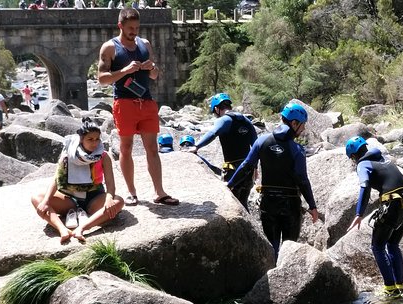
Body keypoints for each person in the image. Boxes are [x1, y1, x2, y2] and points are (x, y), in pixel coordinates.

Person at [97, 7, 179, 206]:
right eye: (130, 28)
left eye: (137, 27)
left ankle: (160, 192)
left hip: (147, 101)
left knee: (152, 148)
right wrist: (124, 71)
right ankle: (132, 193)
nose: (134, 31)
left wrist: (152, 68)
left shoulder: (145, 44)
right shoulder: (110, 47)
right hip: (124, 104)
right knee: (126, 148)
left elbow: (154, 75)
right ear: (120, 26)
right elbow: (101, 79)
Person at [227, 102, 319, 258]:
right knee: (289, 251)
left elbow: (246, 166)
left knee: (273, 248)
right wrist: (312, 205)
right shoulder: (297, 150)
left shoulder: (261, 141)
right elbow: (302, 179)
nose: (303, 129)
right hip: (291, 207)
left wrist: (229, 185)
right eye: (302, 125)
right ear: (294, 123)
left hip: (268, 204)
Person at [31, 118, 124, 243]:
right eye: (90, 139)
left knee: (118, 201)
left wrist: (109, 198)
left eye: (97, 139)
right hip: (69, 199)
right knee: (37, 198)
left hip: (94, 198)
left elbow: (110, 184)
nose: (94, 143)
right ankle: (62, 229)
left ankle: (82, 228)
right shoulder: (68, 154)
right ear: (81, 139)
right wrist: (46, 201)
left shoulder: (103, 156)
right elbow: (57, 179)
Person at [345, 135, 403, 298]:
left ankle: (390, 289)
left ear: (354, 156)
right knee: (392, 244)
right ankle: (400, 287)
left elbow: (365, 186)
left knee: (377, 246)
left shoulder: (363, 164)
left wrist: (358, 214)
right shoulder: (383, 158)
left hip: (393, 204)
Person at [193, 92, 258, 209]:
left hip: (233, 170)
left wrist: (196, 146)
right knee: (243, 202)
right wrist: (256, 168)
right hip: (248, 170)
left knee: (233, 205)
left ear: (217, 109)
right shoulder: (246, 121)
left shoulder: (224, 120)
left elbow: (213, 133)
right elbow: (256, 146)